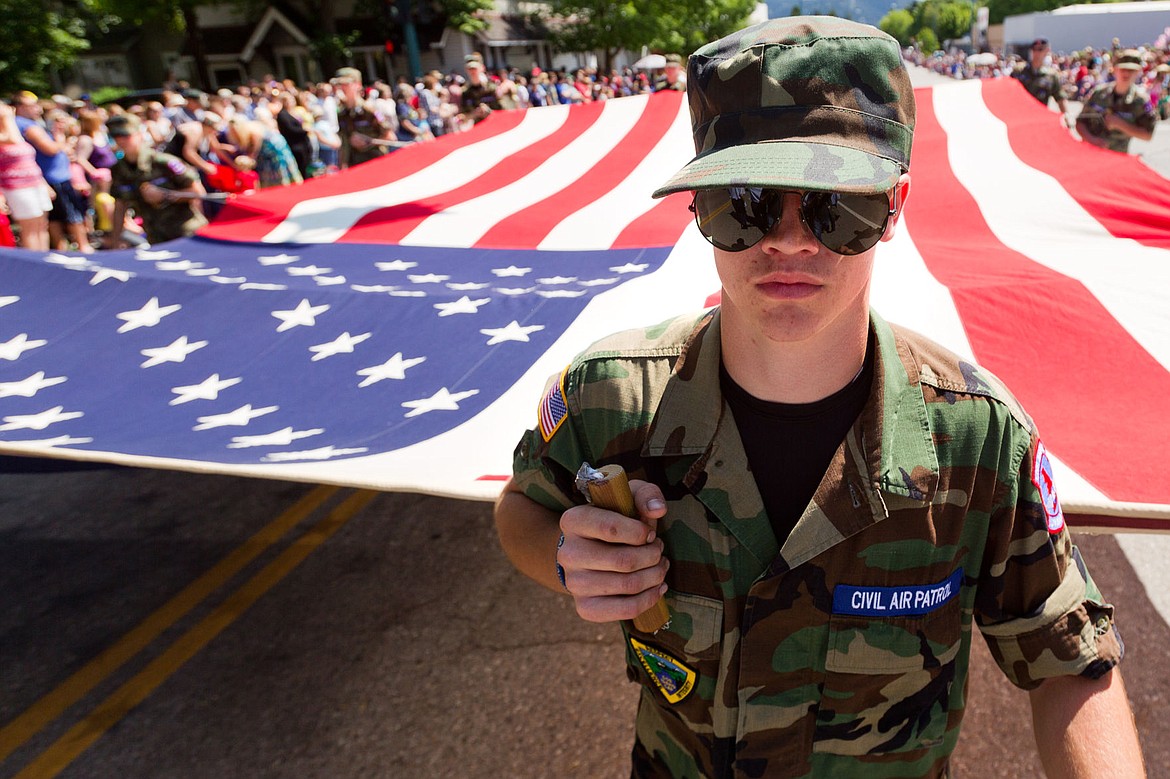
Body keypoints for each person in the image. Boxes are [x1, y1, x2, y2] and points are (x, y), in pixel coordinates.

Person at [493, 17, 1144, 778]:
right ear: (698, 206)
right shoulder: (607, 396)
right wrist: (568, 559)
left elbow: (1068, 658)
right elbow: (521, 508)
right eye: (746, 201)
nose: (791, 240)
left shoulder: (978, 439)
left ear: (894, 207)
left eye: (838, 205)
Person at [107, 113, 207, 246]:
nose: (121, 141)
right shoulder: (119, 170)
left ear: (139, 134)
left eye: (126, 136)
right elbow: (120, 205)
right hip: (156, 238)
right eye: (116, 137)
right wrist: (115, 241)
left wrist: (166, 195)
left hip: (187, 232)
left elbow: (199, 192)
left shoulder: (163, 162)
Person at [12, 91, 93, 253]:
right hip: (54, 178)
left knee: (51, 219)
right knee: (70, 215)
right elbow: (50, 149)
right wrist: (60, 138)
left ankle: (61, 250)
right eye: (31, 105)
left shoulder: (27, 124)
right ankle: (83, 247)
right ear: (20, 107)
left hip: (49, 177)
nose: (37, 108)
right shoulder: (26, 125)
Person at [1076, 49, 1157, 153]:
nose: (1126, 73)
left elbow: (1147, 135)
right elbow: (1080, 122)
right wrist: (1092, 140)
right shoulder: (1099, 93)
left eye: (1131, 70)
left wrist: (1120, 124)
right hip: (1090, 153)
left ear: (1138, 72)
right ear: (1115, 69)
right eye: (1123, 69)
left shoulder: (1140, 100)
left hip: (1117, 157)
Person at [0, 100, 52, 250]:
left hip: (35, 183)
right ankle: (36, 263)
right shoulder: (7, 136)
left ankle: (46, 257)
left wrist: (44, 183)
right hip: (16, 187)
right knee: (29, 228)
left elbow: (29, 161)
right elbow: (13, 140)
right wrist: (8, 118)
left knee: (42, 224)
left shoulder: (13, 131)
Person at [333, 67, 393, 168]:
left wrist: (369, 141)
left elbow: (390, 137)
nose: (341, 89)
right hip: (355, 166)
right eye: (338, 85)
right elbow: (344, 145)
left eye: (346, 84)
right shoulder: (342, 114)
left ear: (358, 85)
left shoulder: (369, 110)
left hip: (375, 164)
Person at [1012, 38, 1071, 126]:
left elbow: (1060, 98)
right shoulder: (1019, 70)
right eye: (1034, 49)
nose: (1037, 53)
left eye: (1040, 49)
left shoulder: (1051, 75)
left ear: (1047, 51)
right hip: (1019, 117)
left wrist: (1066, 116)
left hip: (1039, 119)